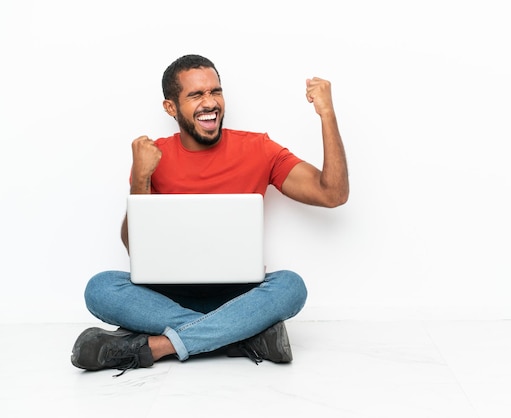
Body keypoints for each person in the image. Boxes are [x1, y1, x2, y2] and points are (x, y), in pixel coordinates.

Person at [70, 54, 349, 375]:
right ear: (171, 107)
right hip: (166, 298)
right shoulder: (152, 155)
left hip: (240, 296)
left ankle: (157, 347)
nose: (210, 102)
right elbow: (135, 246)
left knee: (291, 286)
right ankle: (242, 337)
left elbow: (333, 194)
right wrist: (142, 179)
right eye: (195, 95)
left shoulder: (259, 148)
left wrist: (326, 114)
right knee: (100, 288)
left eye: (215, 91)